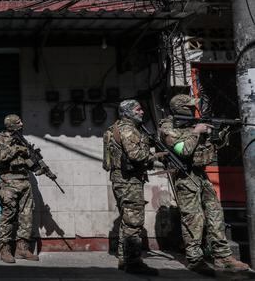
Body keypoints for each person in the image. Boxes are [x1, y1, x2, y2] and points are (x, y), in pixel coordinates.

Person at [159, 94, 250, 275]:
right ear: (179, 108)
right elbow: (183, 150)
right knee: (193, 218)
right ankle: (195, 259)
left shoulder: (194, 123)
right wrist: (197, 131)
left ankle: (223, 256)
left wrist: (223, 131)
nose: (194, 110)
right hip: (185, 176)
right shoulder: (168, 128)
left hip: (201, 174)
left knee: (215, 213)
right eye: (190, 107)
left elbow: (214, 146)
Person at [104, 100, 162, 275]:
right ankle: (133, 262)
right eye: (138, 109)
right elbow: (136, 155)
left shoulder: (114, 128)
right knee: (134, 221)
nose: (142, 112)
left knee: (127, 220)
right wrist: (155, 155)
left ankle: (124, 257)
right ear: (128, 112)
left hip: (121, 179)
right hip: (129, 181)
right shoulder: (128, 129)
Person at [0, 114, 43, 264]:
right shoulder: (0, 138)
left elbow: (26, 160)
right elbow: (0, 156)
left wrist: (36, 165)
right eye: (18, 122)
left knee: (26, 216)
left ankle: (22, 249)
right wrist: (16, 149)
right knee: (8, 215)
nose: (22, 124)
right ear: (11, 125)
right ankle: (5, 249)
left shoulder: (22, 139)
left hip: (24, 182)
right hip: (8, 182)